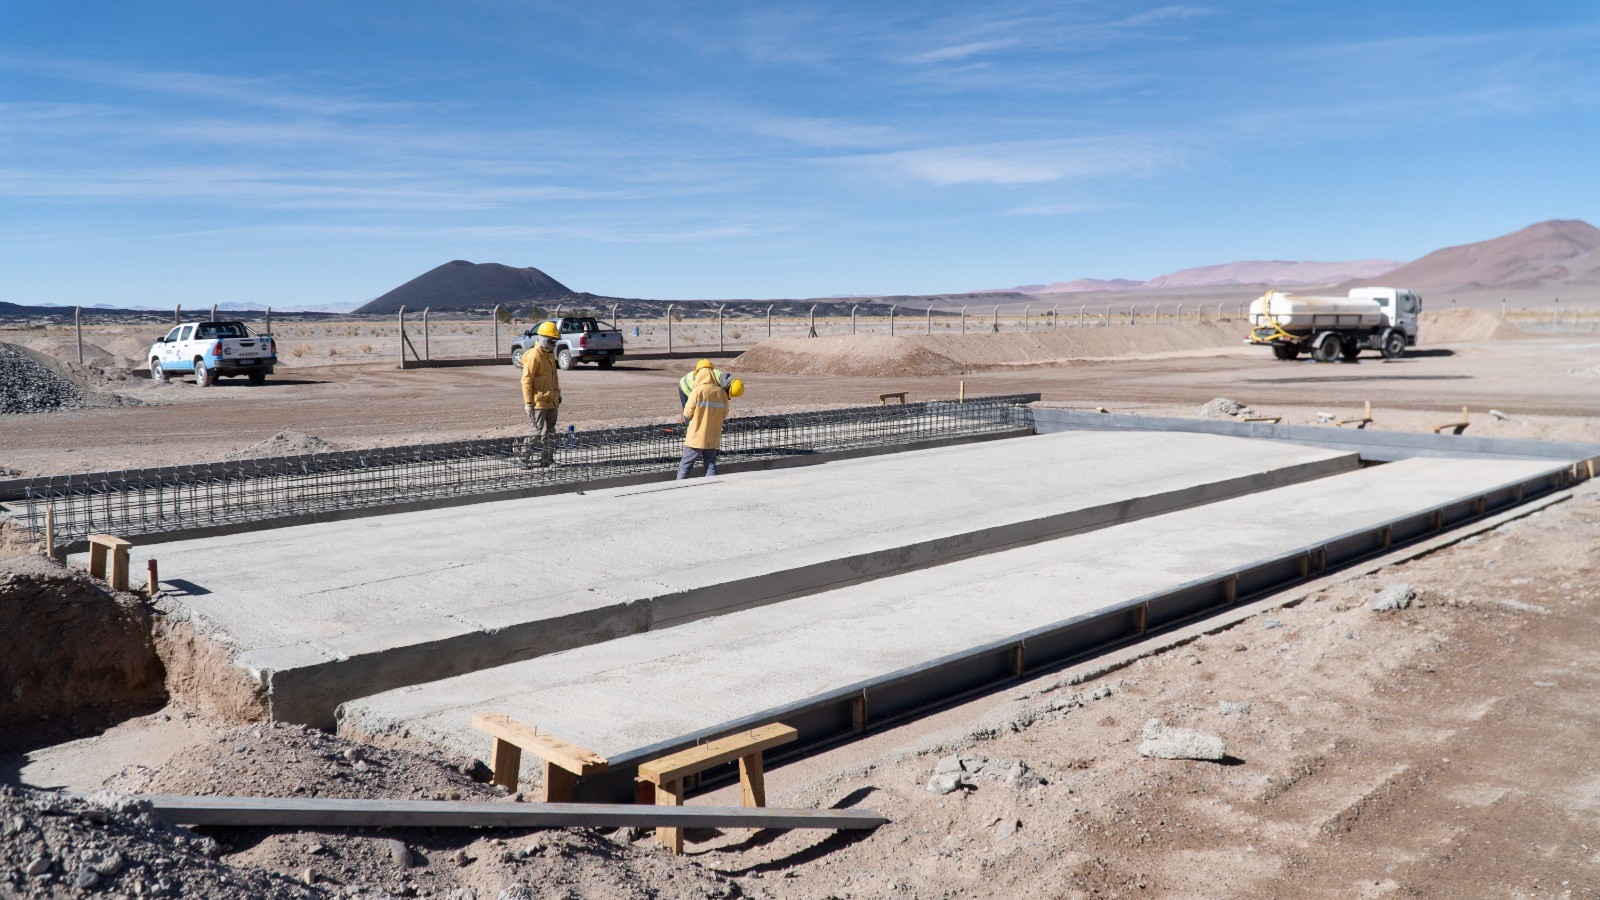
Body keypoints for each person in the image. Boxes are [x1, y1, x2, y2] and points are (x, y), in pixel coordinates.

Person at [677, 362, 729, 479]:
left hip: (696, 437)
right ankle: (712, 490)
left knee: (685, 465)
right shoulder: (721, 392)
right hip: (713, 436)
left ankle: (678, 488)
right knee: (710, 465)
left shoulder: (697, 391)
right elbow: (725, 413)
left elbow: (687, 413)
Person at [520, 321, 561, 466]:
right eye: (552, 341)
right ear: (543, 339)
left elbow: (553, 377)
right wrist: (528, 403)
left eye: (555, 341)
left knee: (550, 432)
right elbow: (526, 380)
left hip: (552, 400)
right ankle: (523, 458)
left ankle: (547, 459)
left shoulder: (549, 354)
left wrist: (558, 394)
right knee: (535, 431)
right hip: (539, 402)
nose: (554, 344)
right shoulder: (534, 356)